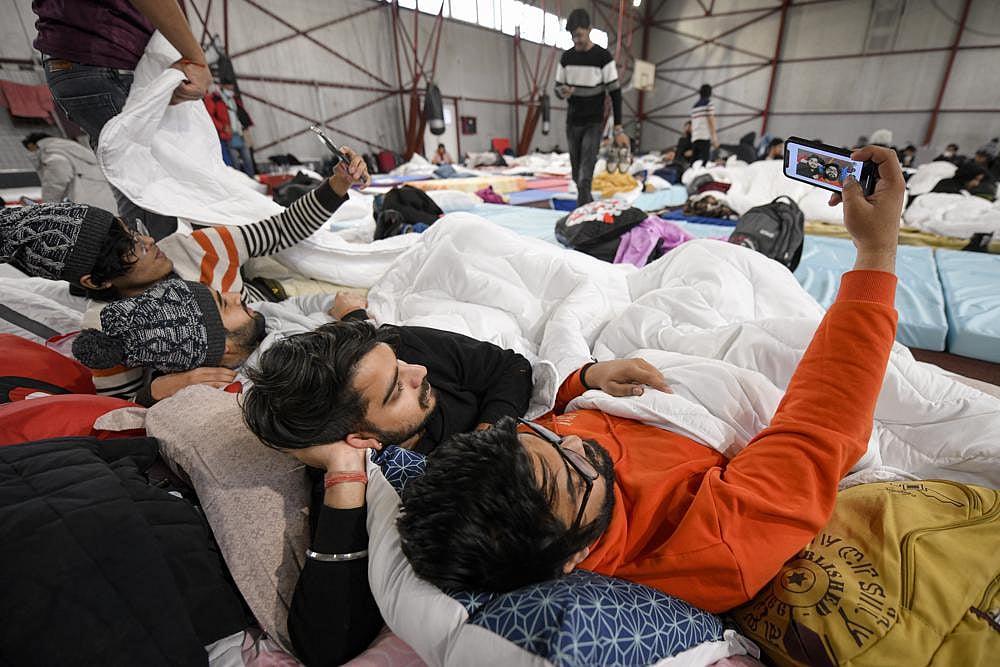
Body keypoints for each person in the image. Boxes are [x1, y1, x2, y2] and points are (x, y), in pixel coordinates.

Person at [396, 145, 906, 615]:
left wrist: (583, 382)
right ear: (569, 561)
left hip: (638, 350)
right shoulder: (709, 544)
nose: (577, 444)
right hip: (734, 369)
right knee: (735, 272)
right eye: (575, 477)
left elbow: (552, 423)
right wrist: (877, 253)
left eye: (548, 439)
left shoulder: (534, 469)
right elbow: (822, 424)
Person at [238, 319, 533, 664]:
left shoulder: (398, 350)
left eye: (400, 362)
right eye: (397, 391)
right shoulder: (370, 486)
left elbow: (511, 367)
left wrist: (485, 439)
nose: (419, 372)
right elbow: (323, 647)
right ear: (362, 439)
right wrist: (344, 471)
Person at [0, 145, 370, 305]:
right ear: (95, 281)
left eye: (133, 231)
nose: (146, 240)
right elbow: (124, 402)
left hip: (283, 296)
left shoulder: (192, 248)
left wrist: (339, 181)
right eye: (130, 247)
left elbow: (282, 229)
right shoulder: (108, 328)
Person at [33, 0, 213, 240]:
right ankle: (166, 274)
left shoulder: (52, 153)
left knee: (136, 189)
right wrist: (195, 58)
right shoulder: (56, 154)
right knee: (157, 191)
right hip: (108, 58)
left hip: (70, 63)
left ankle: (152, 269)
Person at [70, 277, 265, 403]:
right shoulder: (223, 397)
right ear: (222, 346)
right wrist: (152, 394)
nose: (237, 296)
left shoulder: (262, 316)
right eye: (224, 305)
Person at [554, 8, 627, 206]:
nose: (575, 40)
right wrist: (563, 91)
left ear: (589, 29)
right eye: (572, 36)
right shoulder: (567, 58)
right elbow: (557, 88)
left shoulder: (603, 57)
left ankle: (583, 212)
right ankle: (587, 203)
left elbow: (615, 93)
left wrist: (618, 127)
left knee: (586, 172)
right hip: (573, 121)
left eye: (579, 34)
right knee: (577, 174)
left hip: (594, 121)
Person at [21, 132, 118, 213]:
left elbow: (56, 180)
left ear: (32, 145)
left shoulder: (52, 153)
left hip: (88, 204)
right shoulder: (70, 147)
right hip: (108, 199)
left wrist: (47, 207)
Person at [689, 84, 718, 165]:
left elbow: (692, 123)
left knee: (694, 162)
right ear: (710, 93)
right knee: (705, 162)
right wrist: (714, 137)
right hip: (704, 136)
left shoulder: (694, 106)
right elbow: (710, 120)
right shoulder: (709, 103)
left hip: (695, 137)